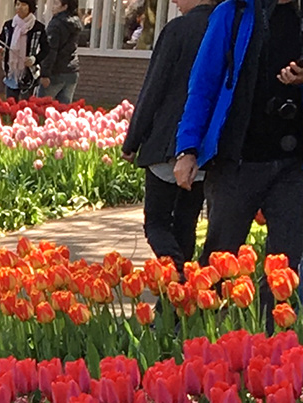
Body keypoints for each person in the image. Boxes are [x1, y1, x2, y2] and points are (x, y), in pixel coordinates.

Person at [177, 0, 303, 268]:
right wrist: (187, 149)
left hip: (294, 165)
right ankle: (208, 310)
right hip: (237, 161)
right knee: (219, 259)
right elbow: (202, 84)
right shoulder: (234, 12)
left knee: (286, 266)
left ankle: (275, 311)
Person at [125, 0, 213, 259]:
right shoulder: (230, 29)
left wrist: (132, 141)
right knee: (186, 226)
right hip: (206, 148)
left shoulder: (179, 29)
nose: (174, 0)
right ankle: (177, 296)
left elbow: (154, 88)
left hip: (168, 140)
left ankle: (177, 276)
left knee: (157, 223)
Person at [0, 0, 45, 92]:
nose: (19, 7)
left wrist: (34, 59)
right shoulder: (9, 25)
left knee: (27, 104)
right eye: (17, 4)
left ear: (30, 7)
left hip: (29, 73)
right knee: (10, 103)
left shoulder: (38, 27)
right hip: (10, 73)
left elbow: (46, 49)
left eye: (24, 4)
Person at [37, 0, 80, 94]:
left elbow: (50, 50)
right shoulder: (75, 24)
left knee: (41, 105)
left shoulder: (56, 24)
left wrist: (44, 74)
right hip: (72, 70)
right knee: (64, 108)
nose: (52, 6)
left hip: (56, 72)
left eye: (56, 3)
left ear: (65, 6)